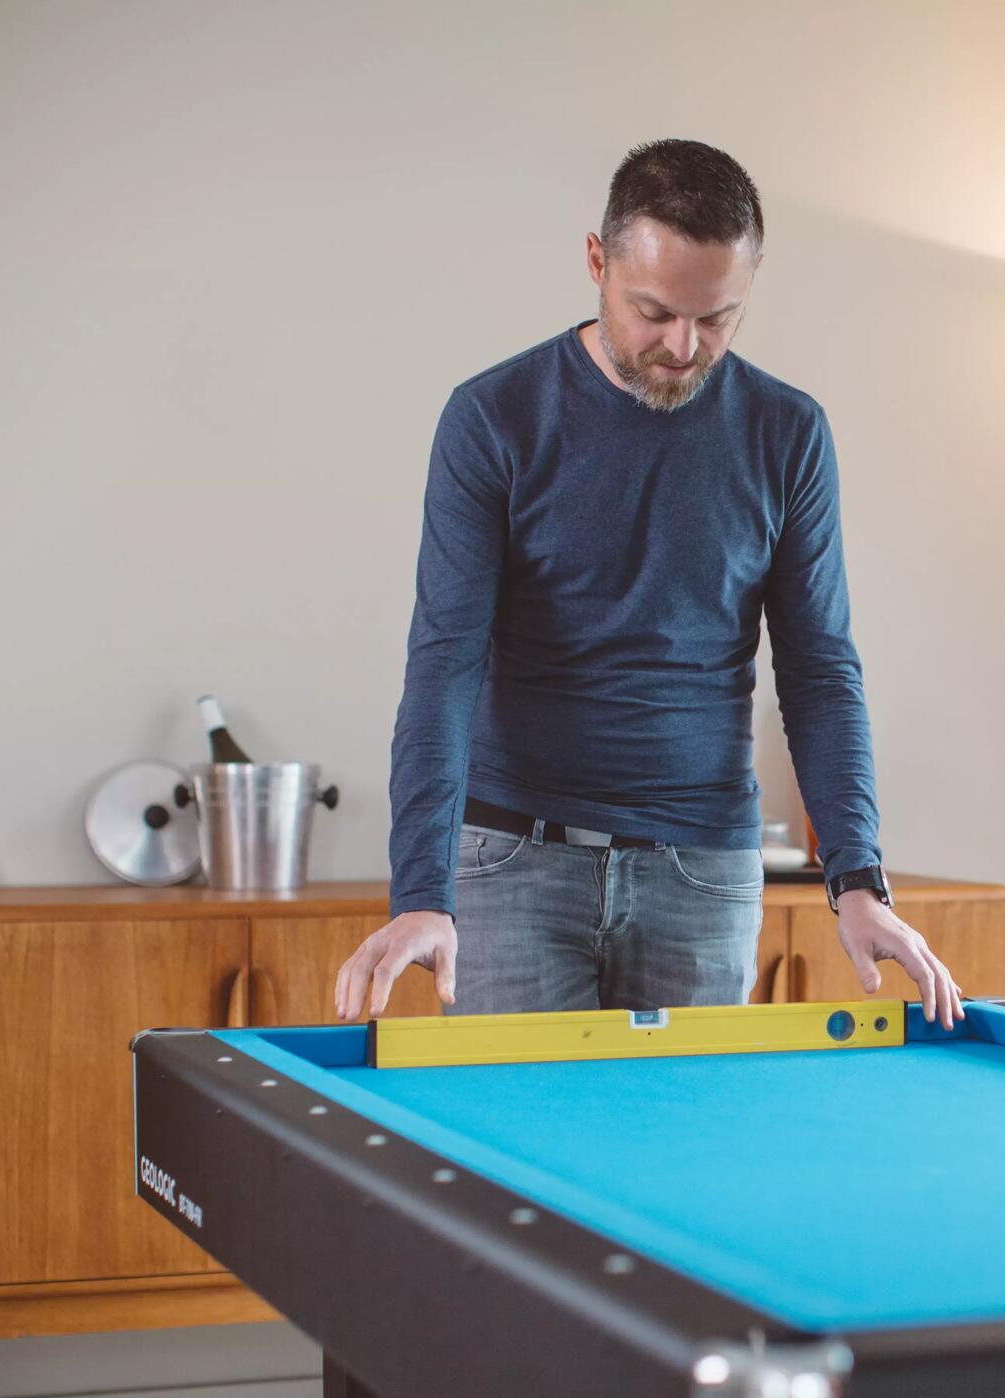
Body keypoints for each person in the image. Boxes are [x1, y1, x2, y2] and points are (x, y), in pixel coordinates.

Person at [334, 138, 963, 1030]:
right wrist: (420, 889)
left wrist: (857, 878)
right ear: (597, 261)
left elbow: (820, 670)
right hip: (511, 863)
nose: (682, 346)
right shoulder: (494, 419)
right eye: (654, 311)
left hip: (701, 873)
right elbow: (445, 663)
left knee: (687, 1156)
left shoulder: (788, 433)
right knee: (517, 1155)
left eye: (716, 319)